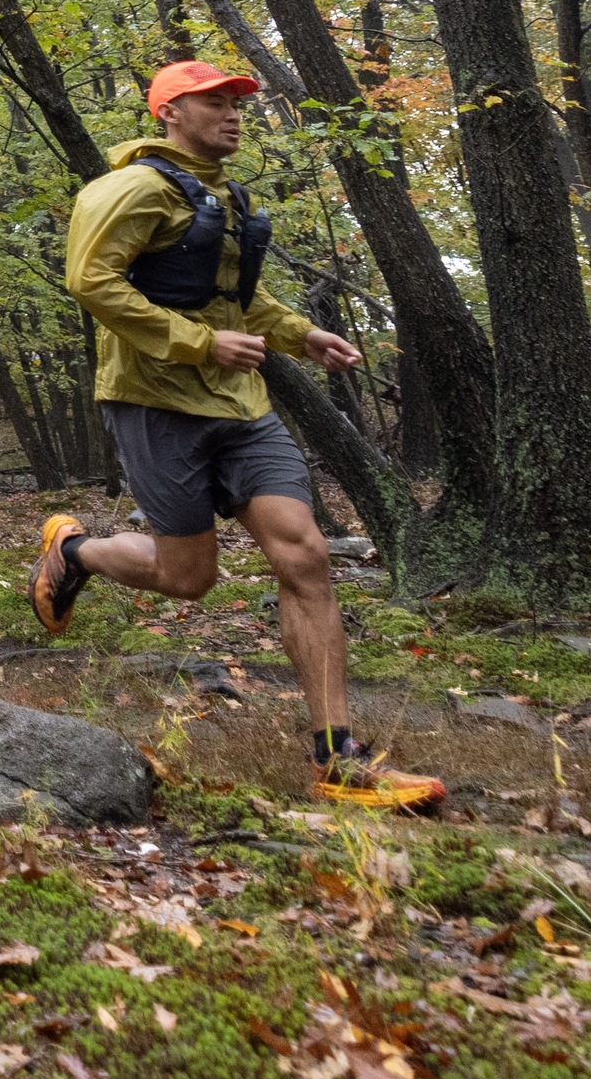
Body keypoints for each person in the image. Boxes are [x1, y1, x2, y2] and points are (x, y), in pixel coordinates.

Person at [30, 60, 444, 812]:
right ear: (170, 113)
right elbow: (92, 282)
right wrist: (197, 343)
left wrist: (300, 334)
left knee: (305, 552)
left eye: (237, 103)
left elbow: (236, 298)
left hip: (240, 406)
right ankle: (74, 551)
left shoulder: (220, 195)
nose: (233, 114)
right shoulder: (128, 190)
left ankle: (337, 758)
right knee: (189, 578)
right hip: (154, 399)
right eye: (213, 103)